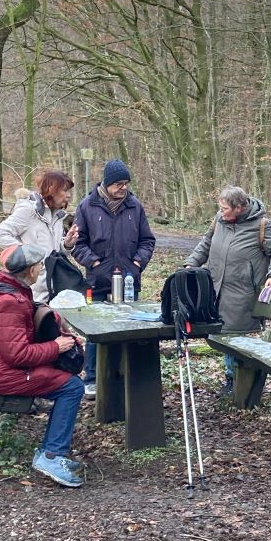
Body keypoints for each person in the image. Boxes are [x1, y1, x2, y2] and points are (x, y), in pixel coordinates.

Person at [0, 244, 85, 488]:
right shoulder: (7, 303)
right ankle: (52, 456)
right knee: (72, 386)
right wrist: (56, 347)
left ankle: (51, 451)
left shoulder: (10, 293)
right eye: (40, 265)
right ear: (31, 270)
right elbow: (17, 355)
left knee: (66, 379)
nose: (41, 269)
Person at [185, 185, 271, 395]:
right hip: (215, 288)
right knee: (222, 334)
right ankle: (232, 378)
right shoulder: (219, 220)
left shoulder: (262, 225)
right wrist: (190, 264)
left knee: (235, 335)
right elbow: (206, 243)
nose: (221, 212)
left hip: (242, 294)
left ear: (239, 208)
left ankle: (238, 382)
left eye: (225, 208)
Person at [72, 159, 156, 398]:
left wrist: (137, 264)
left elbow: (147, 240)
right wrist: (95, 264)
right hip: (98, 282)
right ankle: (92, 378)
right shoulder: (87, 206)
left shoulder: (135, 207)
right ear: (107, 184)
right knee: (95, 332)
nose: (123, 188)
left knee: (128, 330)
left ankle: (124, 377)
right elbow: (78, 243)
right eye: (119, 183)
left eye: (126, 183)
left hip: (129, 282)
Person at [0, 170, 79, 303]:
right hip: (31, 291)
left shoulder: (58, 216)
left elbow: (52, 254)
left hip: (53, 290)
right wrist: (28, 256)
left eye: (69, 191)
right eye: (64, 190)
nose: (68, 196)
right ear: (51, 190)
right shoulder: (28, 211)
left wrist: (67, 244)